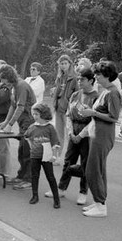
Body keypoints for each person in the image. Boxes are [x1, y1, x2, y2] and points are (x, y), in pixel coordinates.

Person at [45, 68, 99, 205]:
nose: (79, 81)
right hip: (73, 130)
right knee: (68, 161)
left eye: (83, 79)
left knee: (85, 164)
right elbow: (69, 114)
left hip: (86, 134)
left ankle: (83, 192)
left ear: (91, 81)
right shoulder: (75, 94)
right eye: (79, 79)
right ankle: (61, 188)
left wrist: (80, 135)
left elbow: (94, 119)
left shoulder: (96, 97)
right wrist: (70, 132)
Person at [79, 61, 121, 217]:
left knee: (93, 170)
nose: (95, 77)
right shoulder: (105, 91)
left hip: (103, 135)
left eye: (98, 74)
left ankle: (101, 206)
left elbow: (114, 117)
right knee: (98, 169)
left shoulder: (112, 93)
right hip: (97, 134)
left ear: (107, 75)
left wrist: (93, 113)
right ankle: (99, 202)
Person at [0, 64, 36, 190]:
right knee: (21, 150)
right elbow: (13, 106)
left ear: (10, 77)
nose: (3, 84)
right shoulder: (14, 87)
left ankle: (29, 180)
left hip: (29, 120)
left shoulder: (21, 86)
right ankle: (21, 176)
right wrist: (6, 122)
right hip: (22, 121)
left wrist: (10, 125)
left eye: (4, 81)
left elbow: (21, 107)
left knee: (27, 151)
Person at [24, 103, 61, 208]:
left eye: (37, 114)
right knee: (34, 176)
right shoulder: (32, 127)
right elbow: (26, 136)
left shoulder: (50, 128)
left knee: (50, 177)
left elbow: (55, 142)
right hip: (35, 155)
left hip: (47, 156)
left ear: (44, 115)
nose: (34, 116)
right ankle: (34, 195)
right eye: (34, 114)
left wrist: (54, 155)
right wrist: (31, 146)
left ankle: (56, 198)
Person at [51, 55, 78, 164]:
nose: (63, 66)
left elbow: (77, 94)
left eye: (65, 63)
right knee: (58, 134)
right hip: (58, 108)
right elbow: (57, 91)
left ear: (70, 64)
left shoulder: (74, 78)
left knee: (69, 134)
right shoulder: (59, 77)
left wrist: (68, 102)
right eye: (61, 64)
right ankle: (57, 157)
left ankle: (70, 158)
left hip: (68, 110)